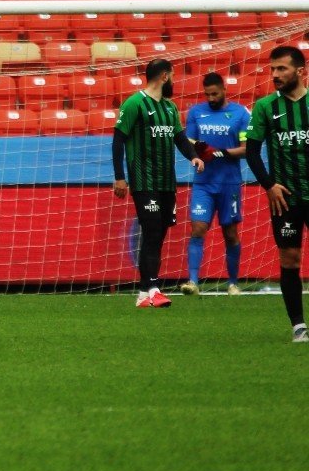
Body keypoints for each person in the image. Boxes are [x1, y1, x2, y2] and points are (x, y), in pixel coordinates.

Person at [113, 58, 204, 308]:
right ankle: (153, 288)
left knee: (159, 235)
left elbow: (180, 138)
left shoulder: (170, 108)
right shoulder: (134, 104)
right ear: (165, 76)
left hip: (166, 182)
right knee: (152, 231)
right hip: (144, 180)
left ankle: (143, 294)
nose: (173, 80)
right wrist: (120, 176)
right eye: (172, 76)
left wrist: (194, 156)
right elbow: (118, 140)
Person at [245, 45, 309, 343]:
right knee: (290, 258)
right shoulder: (265, 107)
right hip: (285, 197)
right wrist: (269, 185)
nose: (275, 75)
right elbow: (252, 152)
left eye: (281, 69)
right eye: (272, 69)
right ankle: (298, 326)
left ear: (300, 71)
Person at [180, 72, 250, 296]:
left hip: (229, 183)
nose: (210, 98)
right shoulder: (196, 113)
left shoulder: (240, 113)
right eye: (207, 94)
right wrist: (197, 151)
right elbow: (188, 142)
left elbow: (246, 148)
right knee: (198, 228)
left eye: (215, 94)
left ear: (224, 90)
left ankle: (233, 283)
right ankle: (192, 282)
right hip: (203, 182)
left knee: (230, 233)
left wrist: (218, 153)